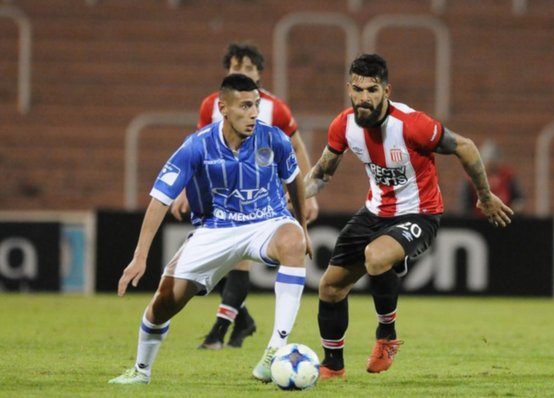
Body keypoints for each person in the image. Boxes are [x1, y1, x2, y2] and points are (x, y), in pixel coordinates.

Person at [303, 54, 513, 379]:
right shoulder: (343, 125)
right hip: (373, 212)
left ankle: (387, 335)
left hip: (420, 213)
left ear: (387, 90)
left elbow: (466, 146)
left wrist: (484, 196)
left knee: (376, 257)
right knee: (330, 287)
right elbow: (321, 173)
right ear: (349, 89)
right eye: (357, 89)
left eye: (372, 90)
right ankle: (333, 365)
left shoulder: (413, 125)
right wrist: (295, 199)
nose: (364, 97)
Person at [108, 74, 311, 385]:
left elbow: (294, 179)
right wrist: (140, 255)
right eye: (245, 106)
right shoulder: (197, 146)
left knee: (293, 241)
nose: (254, 113)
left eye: (256, 105)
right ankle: (141, 370)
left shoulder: (275, 140)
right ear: (223, 108)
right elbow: (159, 200)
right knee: (164, 303)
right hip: (216, 230)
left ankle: (275, 349)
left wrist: (303, 227)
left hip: (266, 222)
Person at [171, 42, 319, 350]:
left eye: (249, 68)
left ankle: (218, 332)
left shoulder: (275, 108)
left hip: (259, 197)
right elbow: (196, 150)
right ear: (227, 71)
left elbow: (296, 148)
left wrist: (310, 194)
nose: (243, 72)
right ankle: (243, 320)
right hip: (217, 196)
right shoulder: (210, 105)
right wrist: (186, 189)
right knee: (222, 262)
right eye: (237, 67)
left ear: (260, 75)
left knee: (239, 263)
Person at [458, 139, 524, 216]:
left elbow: (519, 199)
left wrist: (515, 208)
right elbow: (464, 205)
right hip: (477, 220)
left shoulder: (508, 176)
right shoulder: (470, 178)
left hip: (503, 220)